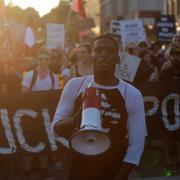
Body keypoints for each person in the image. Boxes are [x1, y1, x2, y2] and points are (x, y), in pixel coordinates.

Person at [51, 34, 146, 180]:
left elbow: (136, 145)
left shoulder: (131, 94)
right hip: (78, 169)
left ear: (118, 58)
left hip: (113, 170)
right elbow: (55, 128)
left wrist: (119, 177)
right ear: (91, 57)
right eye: (99, 50)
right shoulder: (75, 85)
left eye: (110, 51)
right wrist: (77, 118)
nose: (104, 55)